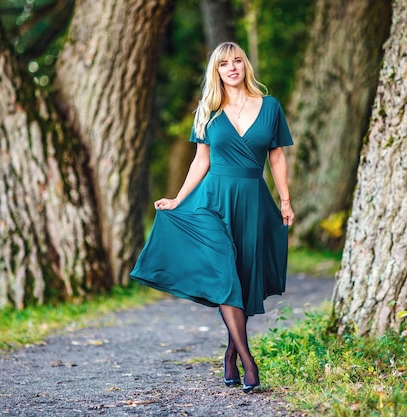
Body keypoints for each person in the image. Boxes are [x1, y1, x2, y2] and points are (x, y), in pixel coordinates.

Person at [130, 41, 295, 394]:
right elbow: (200, 161)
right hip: (212, 202)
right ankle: (249, 361)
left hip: (252, 201)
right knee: (225, 276)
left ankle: (230, 354)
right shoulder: (208, 110)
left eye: (237, 61)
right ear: (216, 71)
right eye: (224, 64)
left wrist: (285, 200)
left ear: (245, 66)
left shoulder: (270, 107)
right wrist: (177, 198)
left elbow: (277, 158)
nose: (232, 67)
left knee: (246, 279)